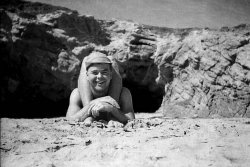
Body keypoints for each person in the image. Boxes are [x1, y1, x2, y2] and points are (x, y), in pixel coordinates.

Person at [66, 52, 135, 125]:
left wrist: (112, 108)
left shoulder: (124, 93)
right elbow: (70, 120)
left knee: (111, 59)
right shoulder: (77, 94)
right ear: (87, 75)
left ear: (111, 75)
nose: (99, 76)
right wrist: (93, 104)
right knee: (86, 59)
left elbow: (131, 119)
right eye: (95, 73)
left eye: (104, 72)